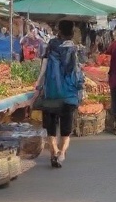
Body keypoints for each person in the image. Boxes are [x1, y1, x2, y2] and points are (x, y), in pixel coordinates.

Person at [34, 20, 84, 167]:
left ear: (59, 30)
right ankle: (62, 153)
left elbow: (44, 66)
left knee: (51, 127)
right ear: (72, 32)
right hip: (69, 94)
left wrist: (38, 83)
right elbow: (78, 71)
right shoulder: (74, 48)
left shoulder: (51, 44)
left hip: (52, 92)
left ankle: (54, 152)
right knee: (66, 128)